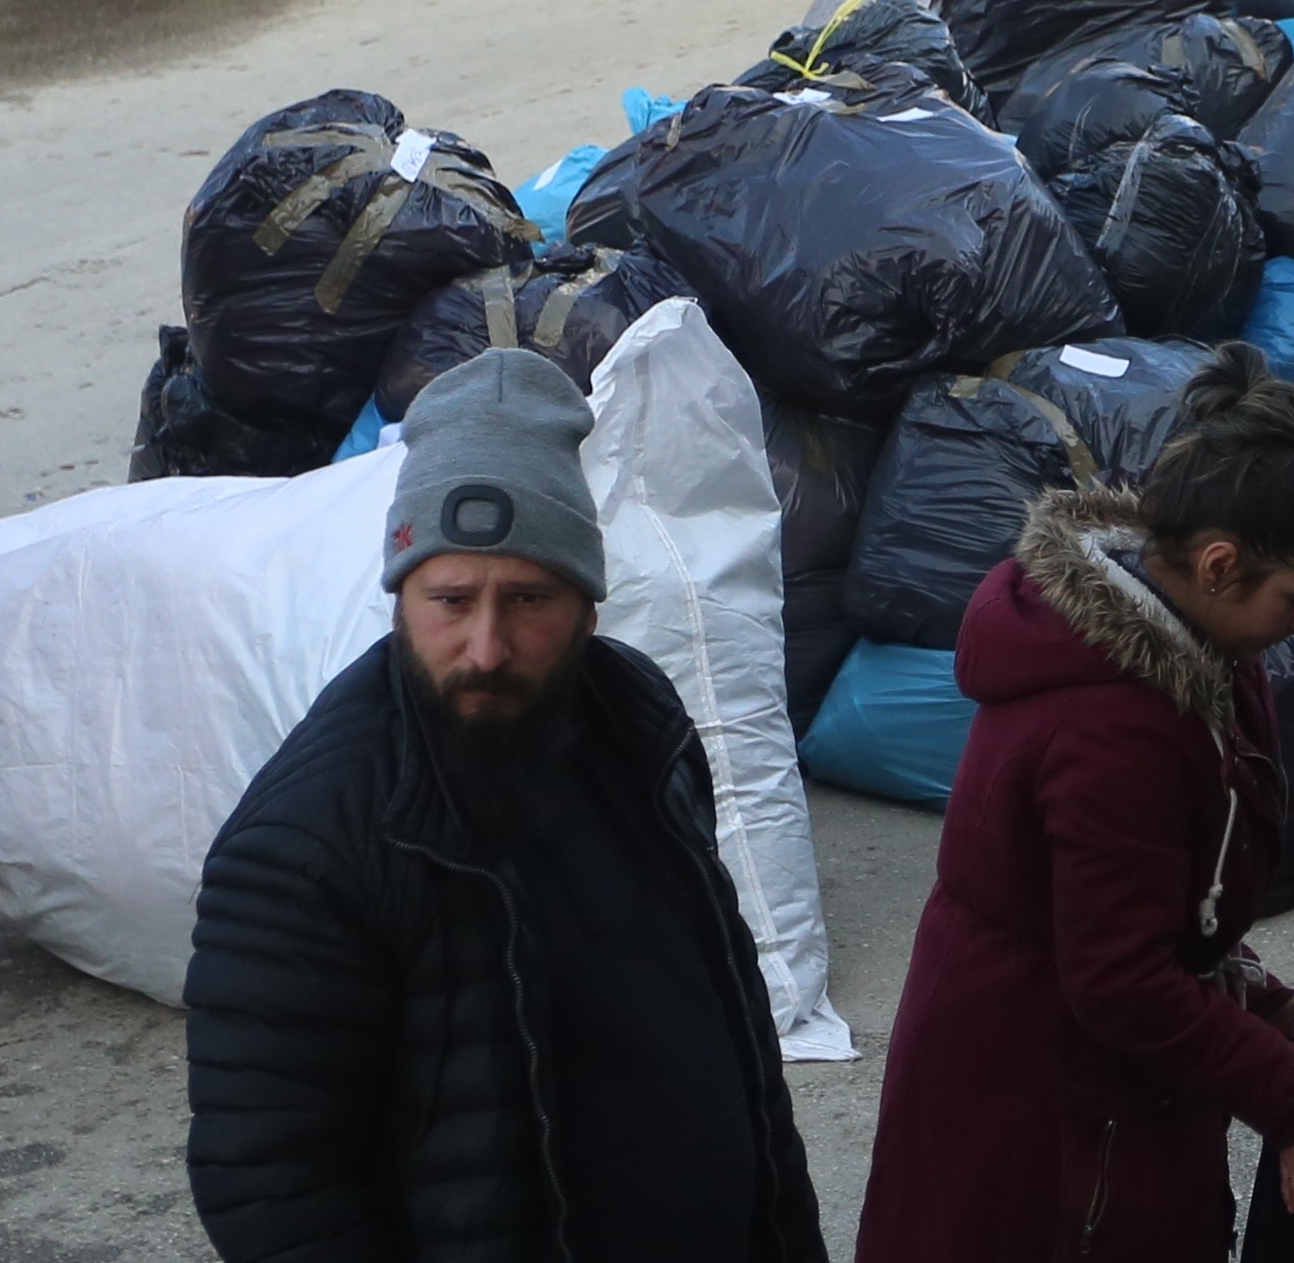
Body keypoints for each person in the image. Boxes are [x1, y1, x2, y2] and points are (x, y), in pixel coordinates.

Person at [186, 350, 825, 1263]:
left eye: (527, 599)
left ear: (589, 607)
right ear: (401, 600)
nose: (485, 647)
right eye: (452, 600)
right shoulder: (307, 846)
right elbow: (270, 1186)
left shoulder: (638, 725)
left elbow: (736, 1031)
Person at [856, 345, 1294, 1263]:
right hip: (1035, 1081)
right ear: (1219, 566)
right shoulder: (1113, 727)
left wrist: (1239, 984)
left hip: (1085, 1054)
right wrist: (1290, 1097)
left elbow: (1160, 890)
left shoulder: (1207, 653)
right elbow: (1119, 979)